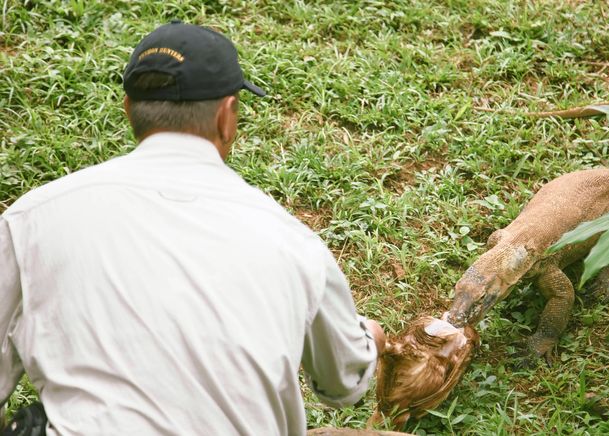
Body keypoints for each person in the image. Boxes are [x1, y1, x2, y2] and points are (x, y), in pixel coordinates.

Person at [0, 21, 385, 436]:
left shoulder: (32, 219)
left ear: (129, 109)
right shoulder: (293, 240)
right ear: (226, 116)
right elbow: (343, 384)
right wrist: (372, 338)